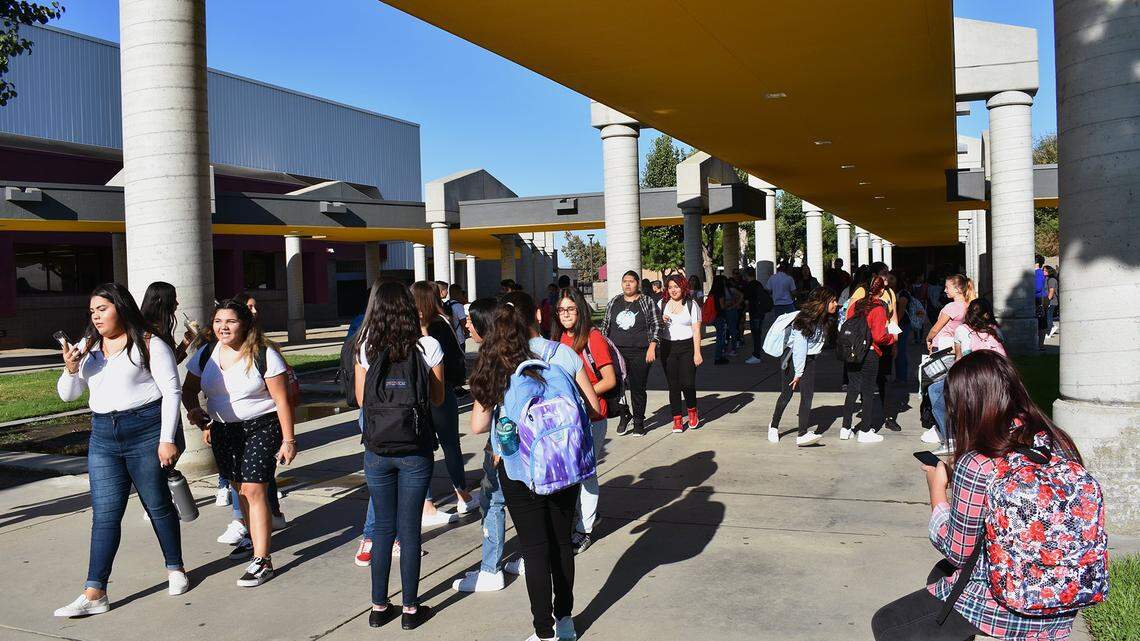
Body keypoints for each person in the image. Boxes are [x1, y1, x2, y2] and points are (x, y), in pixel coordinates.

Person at [872, 351, 1087, 641]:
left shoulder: (978, 463)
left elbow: (957, 549)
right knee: (940, 576)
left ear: (967, 404)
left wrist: (937, 491)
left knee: (888, 624)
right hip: (1060, 599)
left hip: (1006, 603)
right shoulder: (1056, 441)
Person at [468, 291, 602, 641]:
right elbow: (590, 406)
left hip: (519, 469)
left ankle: (544, 632)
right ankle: (567, 621)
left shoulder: (495, 368)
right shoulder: (554, 359)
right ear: (530, 323)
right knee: (561, 543)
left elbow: (478, 426)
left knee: (535, 548)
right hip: (562, 463)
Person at [54, 283, 188, 617]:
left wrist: (166, 439)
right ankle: (95, 591)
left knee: (157, 504)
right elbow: (68, 395)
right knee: (104, 515)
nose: (96, 316)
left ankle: (175, 568)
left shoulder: (149, 343)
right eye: (92, 311)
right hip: (103, 436)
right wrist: (71, 369)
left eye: (102, 308)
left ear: (120, 307)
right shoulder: (89, 348)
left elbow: (172, 392)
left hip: (145, 429)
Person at [183, 298, 298, 587]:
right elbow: (188, 391)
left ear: (245, 324)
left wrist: (289, 440)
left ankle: (263, 561)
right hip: (223, 430)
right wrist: (197, 414)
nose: (223, 327)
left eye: (230, 321)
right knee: (239, 489)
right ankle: (252, 537)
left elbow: (282, 401)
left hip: (262, 426)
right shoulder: (206, 353)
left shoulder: (264, 353)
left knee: (253, 489)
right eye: (218, 321)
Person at [354, 280, 445, 629]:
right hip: (416, 448)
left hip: (377, 449)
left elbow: (363, 400)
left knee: (382, 529)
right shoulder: (428, 346)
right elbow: (436, 398)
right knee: (409, 530)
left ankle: (379, 607)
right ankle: (410, 609)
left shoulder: (365, 346)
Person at [451, 297, 527, 593]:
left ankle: (490, 570)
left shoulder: (490, 362)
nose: (466, 324)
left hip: (503, 449)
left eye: (471, 319)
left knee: (493, 503)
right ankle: (530, 557)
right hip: (531, 447)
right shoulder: (522, 352)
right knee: (527, 505)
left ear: (485, 325)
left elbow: (478, 424)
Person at [551, 286, 616, 554]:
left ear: (580, 310)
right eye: (561, 310)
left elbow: (609, 380)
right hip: (567, 420)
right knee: (571, 474)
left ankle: (585, 530)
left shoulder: (593, 338)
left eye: (570, 309)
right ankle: (584, 517)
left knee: (586, 473)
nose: (565, 314)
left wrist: (580, 396)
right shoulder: (557, 340)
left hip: (592, 416)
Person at [412, 281, 478, 516]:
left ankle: (427, 501)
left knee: (423, 446)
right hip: (441, 390)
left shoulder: (410, 328)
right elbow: (452, 360)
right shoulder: (441, 324)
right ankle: (462, 493)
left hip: (417, 396)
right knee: (450, 444)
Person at [767, 288, 837, 446]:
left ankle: (802, 434)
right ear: (823, 302)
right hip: (793, 358)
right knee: (787, 394)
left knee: (807, 395)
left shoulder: (825, 318)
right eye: (833, 301)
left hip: (810, 359)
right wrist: (798, 373)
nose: (836, 304)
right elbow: (799, 348)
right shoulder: (803, 320)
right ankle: (773, 425)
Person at [601, 271, 661, 437]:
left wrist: (652, 346)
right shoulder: (614, 302)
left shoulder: (647, 301)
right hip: (617, 351)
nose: (627, 284)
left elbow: (657, 324)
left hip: (641, 351)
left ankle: (639, 422)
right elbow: (605, 326)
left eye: (631, 281)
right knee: (616, 387)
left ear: (638, 284)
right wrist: (603, 348)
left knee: (638, 387)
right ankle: (624, 414)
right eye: (625, 281)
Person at [840, 276, 897, 443]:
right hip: (870, 353)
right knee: (867, 391)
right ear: (881, 290)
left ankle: (845, 428)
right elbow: (879, 337)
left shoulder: (857, 305)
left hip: (852, 351)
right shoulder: (879, 308)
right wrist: (892, 338)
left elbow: (848, 320)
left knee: (852, 388)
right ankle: (865, 430)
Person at [657, 275, 703, 433]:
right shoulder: (661, 304)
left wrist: (697, 352)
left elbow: (696, 330)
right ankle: (677, 418)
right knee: (673, 385)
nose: (673, 290)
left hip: (687, 347)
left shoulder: (692, 305)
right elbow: (654, 326)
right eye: (670, 287)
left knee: (688, 383)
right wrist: (660, 321)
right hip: (667, 347)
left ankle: (692, 410)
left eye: (676, 287)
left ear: (683, 287)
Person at [139, 281, 196, 364]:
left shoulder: (159, 327)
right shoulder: (148, 334)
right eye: (173, 299)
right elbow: (165, 364)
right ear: (160, 301)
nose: (177, 303)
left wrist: (185, 343)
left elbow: (169, 362)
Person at [925, 275, 975, 354]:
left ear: (957, 289)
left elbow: (935, 329)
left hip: (941, 346)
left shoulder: (951, 307)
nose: (945, 290)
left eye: (947, 287)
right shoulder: (969, 306)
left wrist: (928, 339)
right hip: (955, 345)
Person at [742, 266, 774, 364]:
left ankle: (756, 355)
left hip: (754, 312)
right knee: (758, 334)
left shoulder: (749, 286)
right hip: (760, 312)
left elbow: (746, 301)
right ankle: (757, 354)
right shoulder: (758, 284)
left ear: (746, 275)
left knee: (755, 335)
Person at [707, 275, 732, 365]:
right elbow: (722, 306)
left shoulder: (712, 293)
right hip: (720, 316)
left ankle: (719, 356)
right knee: (720, 338)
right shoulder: (720, 293)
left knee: (719, 337)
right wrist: (729, 304)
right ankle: (718, 357)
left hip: (713, 317)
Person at [445, 283, 469, 349]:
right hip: (459, 338)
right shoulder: (458, 306)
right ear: (459, 293)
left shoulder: (446, 304)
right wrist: (467, 332)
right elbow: (463, 322)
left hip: (449, 337)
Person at [1042, 265, 1059, 344]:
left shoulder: (1051, 280)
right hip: (1048, 301)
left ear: (1049, 271)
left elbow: (1051, 291)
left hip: (1051, 301)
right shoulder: (1047, 279)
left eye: (1045, 270)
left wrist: (1047, 301)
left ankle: (1049, 331)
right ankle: (1051, 328)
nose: (1043, 272)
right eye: (1043, 270)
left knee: (1048, 316)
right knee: (1047, 316)